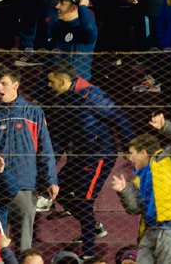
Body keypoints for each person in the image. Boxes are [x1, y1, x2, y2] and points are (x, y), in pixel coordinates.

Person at [44, 62, 128, 260]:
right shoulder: (63, 100)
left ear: (63, 81)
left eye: (51, 81)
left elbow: (118, 117)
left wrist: (129, 146)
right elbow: (60, 137)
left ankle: (88, 254)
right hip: (80, 156)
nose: (48, 85)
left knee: (84, 200)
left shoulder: (92, 95)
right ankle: (92, 227)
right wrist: (49, 169)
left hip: (99, 155)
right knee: (57, 189)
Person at [0, 68, 57, 253]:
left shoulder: (33, 112)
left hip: (25, 187)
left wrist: (51, 179)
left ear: (16, 85)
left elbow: (45, 149)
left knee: (24, 245)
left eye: (3, 83)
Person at [111, 132, 171, 264]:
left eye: (132, 152)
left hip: (170, 229)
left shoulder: (166, 159)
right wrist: (124, 191)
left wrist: (166, 127)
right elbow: (134, 209)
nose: (129, 158)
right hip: (150, 229)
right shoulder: (138, 178)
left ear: (144, 153)